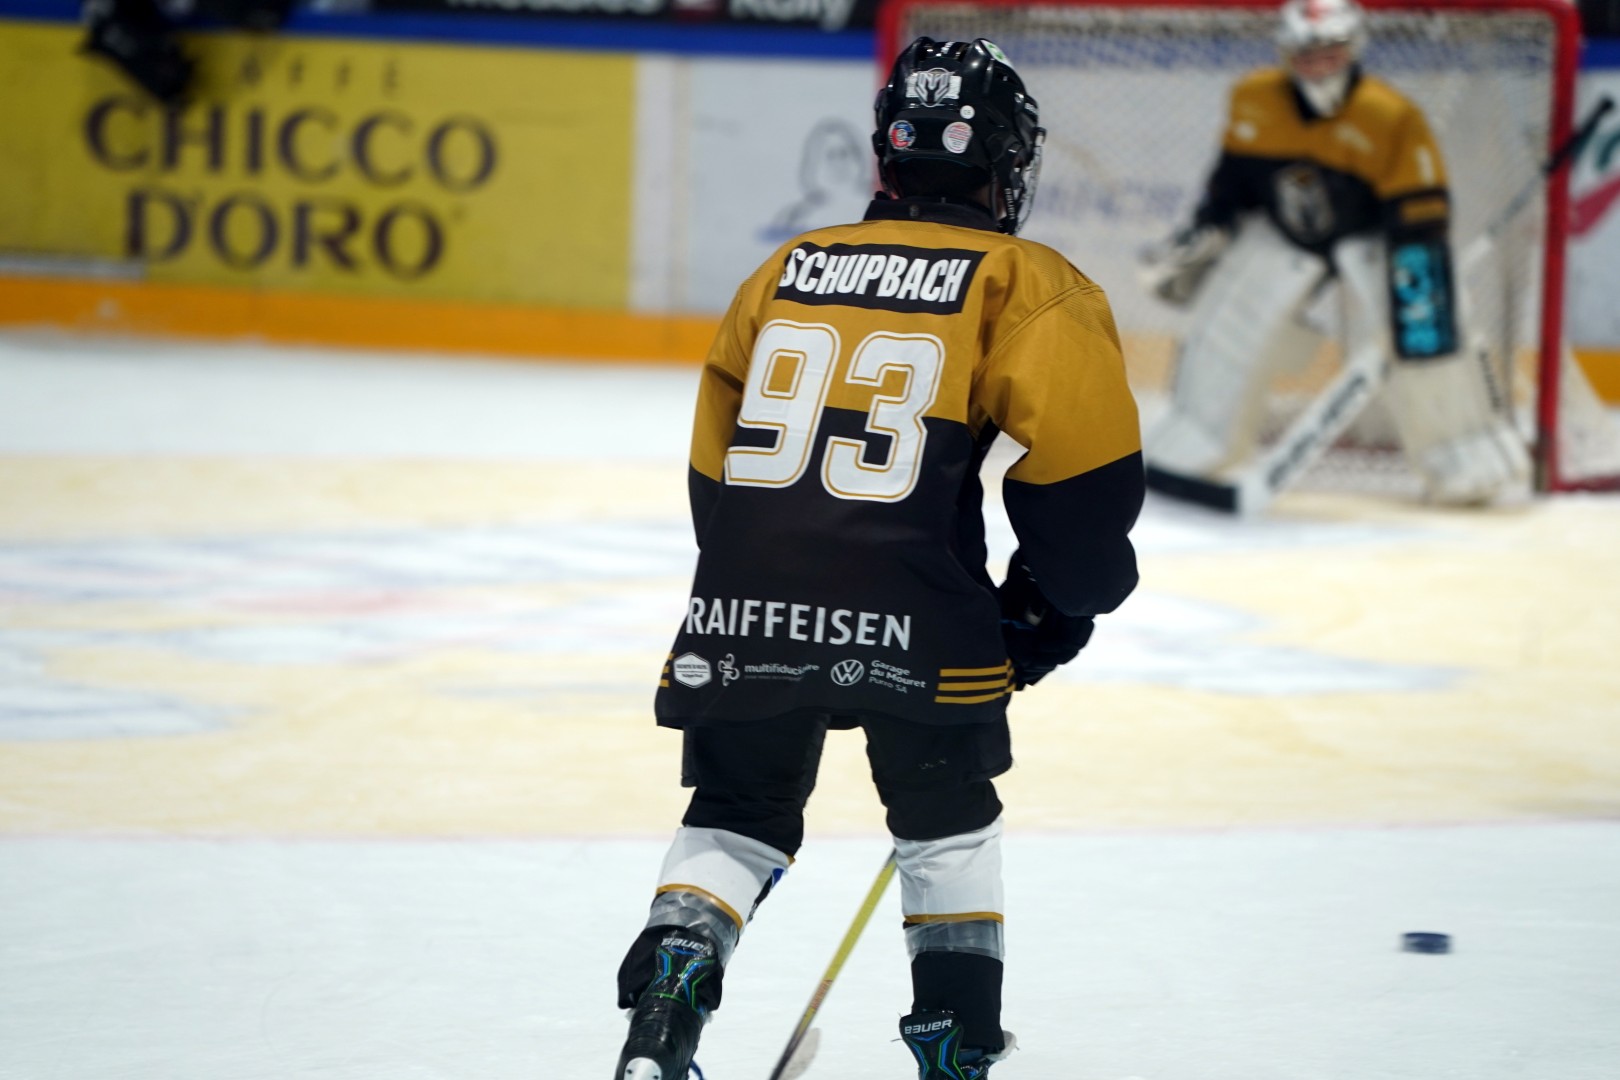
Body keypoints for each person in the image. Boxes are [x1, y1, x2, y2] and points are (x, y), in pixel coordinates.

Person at [611, 36, 1144, 1080]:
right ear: (1005, 162)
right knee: (946, 829)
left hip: (744, 605)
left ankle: (666, 1005)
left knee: (736, 815)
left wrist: (771, 595)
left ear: (892, 153)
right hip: (921, 614)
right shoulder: (1026, 281)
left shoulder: (787, 268)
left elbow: (718, 481)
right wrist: (1055, 605)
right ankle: (954, 1051)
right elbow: (1082, 488)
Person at [1139, 0, 1529, 506]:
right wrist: (1211, 224)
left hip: (1377, 239)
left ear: (1353, 49)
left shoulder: (1389, 114)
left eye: (1331, 50)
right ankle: (1196, 439)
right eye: (1306, 52)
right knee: (1224, 325)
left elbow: (1421, 204)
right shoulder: (1254, 97)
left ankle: (1466, 455)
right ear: (1286, 53)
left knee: (1429, 334)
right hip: (1287, 233)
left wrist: (1414, 284)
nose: (1318, 63)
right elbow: (1233, 179)